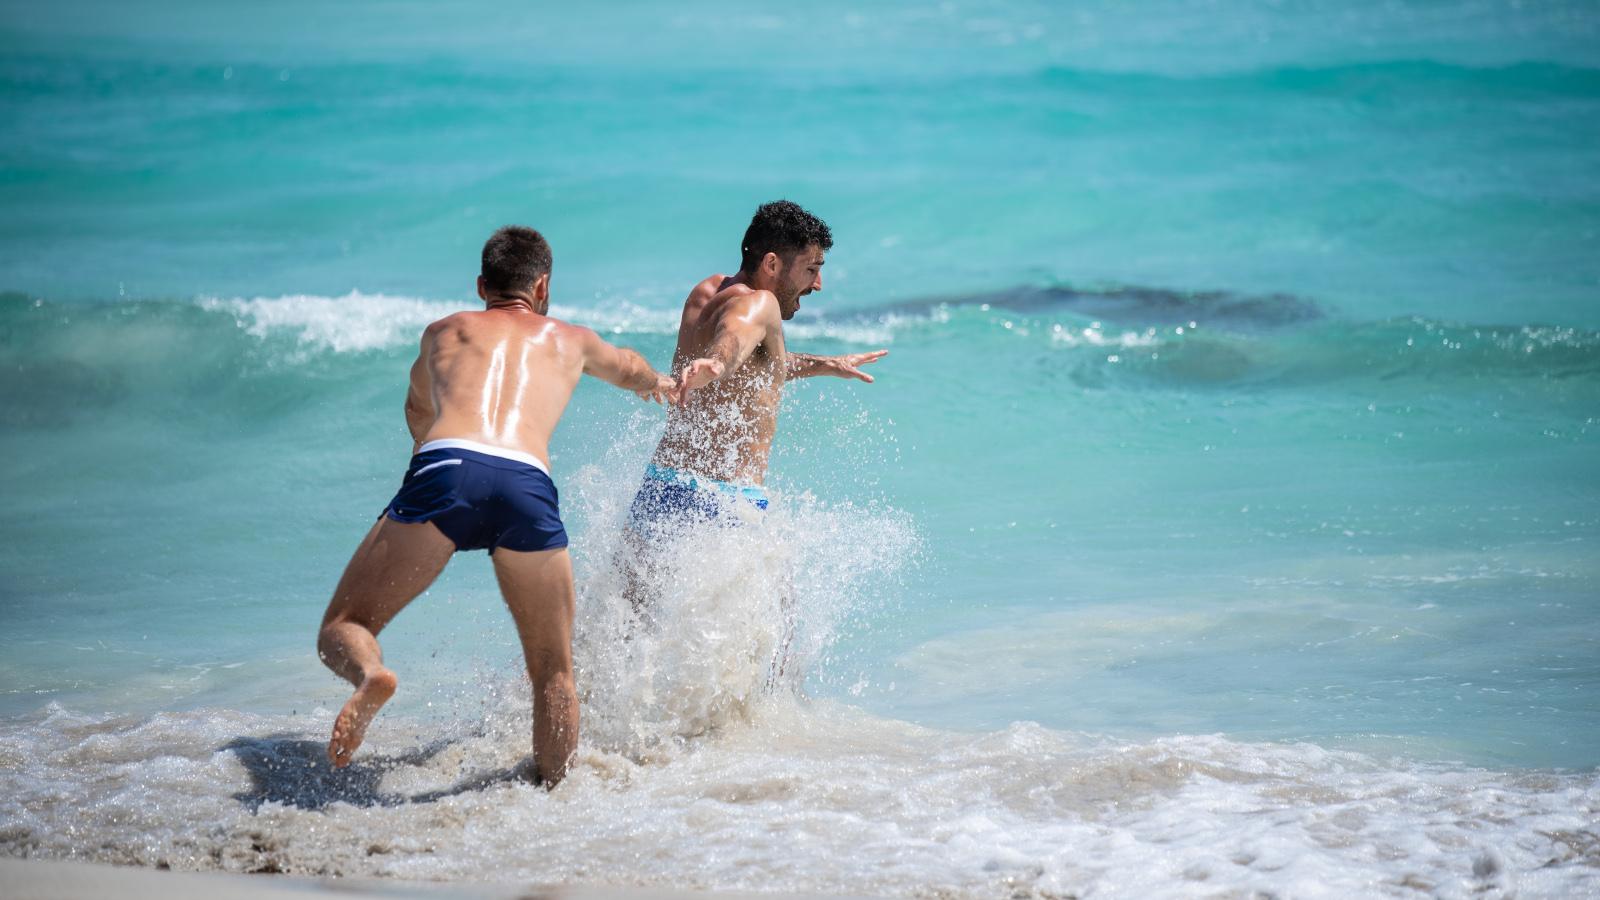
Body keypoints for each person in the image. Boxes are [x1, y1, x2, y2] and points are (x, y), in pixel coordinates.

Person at [317, 225, 677, 785]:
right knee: (554, 673)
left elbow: (418, 409)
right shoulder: (571, 339)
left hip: (446, 468)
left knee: (344, 625)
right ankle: (556, 797)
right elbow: (628, 367)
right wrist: (661, 382)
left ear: (482, 284)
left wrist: (432, 464)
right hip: (526, 480)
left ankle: (371, 676)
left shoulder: (443, 332)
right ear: (543, 287)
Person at [624, 201, 887, 639]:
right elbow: (734, 344)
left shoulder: (706, 292)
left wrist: (828, 364)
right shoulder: (761, 304)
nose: (817, 284)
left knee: (624, 631)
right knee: (776, 640)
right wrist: (715, 365)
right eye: (811, 269)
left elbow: (754, 358)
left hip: (663, 486)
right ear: (770, 264)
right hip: (725, 502)